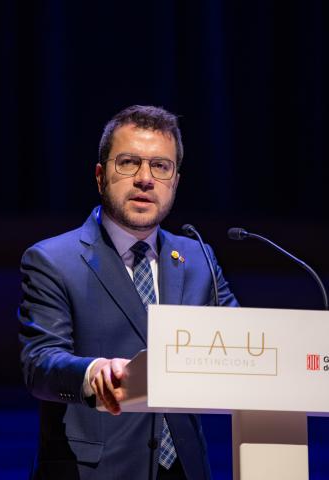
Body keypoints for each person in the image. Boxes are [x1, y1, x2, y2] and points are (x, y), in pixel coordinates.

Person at [18, 105, 238, 480]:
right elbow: (39, 363)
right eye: (129, 163)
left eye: (161, 166)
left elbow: (249, 346)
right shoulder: (52, 260)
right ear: (100, 176)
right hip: (93, 471)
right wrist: (93, 373)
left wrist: (323, 389)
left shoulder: (198, 259)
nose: (145, 179)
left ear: (175, 181)